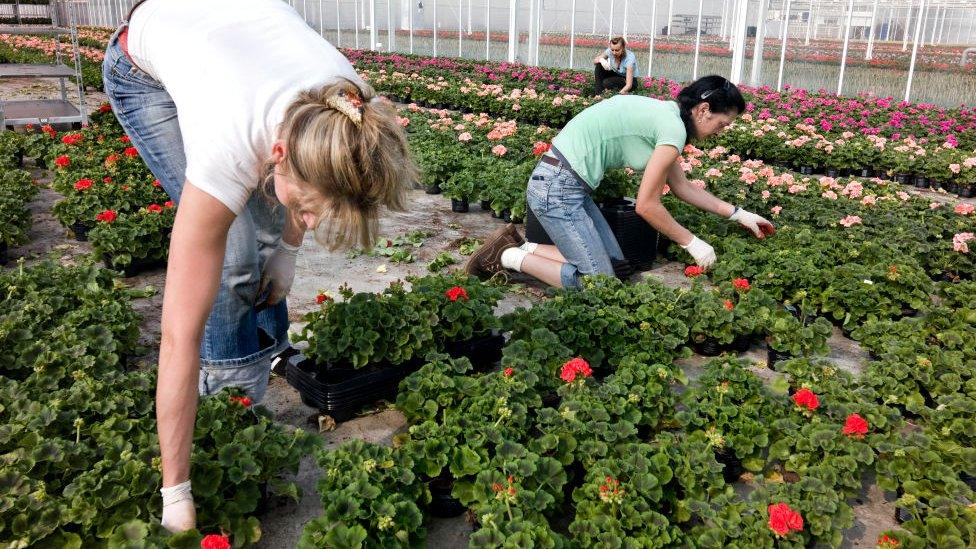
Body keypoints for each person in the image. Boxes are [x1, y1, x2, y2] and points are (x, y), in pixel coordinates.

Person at [101, 0, 415, 532]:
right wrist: (174, 491)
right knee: (237, 250)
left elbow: (300, 195)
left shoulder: (347, 110)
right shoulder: (227, 142)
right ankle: (231, 402)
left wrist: (288, 250)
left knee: (269, 233)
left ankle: (261, 357)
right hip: (143, 70)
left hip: (233, 44)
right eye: (311, 211)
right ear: (277, 151)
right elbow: (177, 336)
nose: (311, 223)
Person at [464, 75, 774, 288]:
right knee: (597, 284)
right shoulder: (673, 129)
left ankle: (524, 245)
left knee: (616, 265)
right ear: (704, 110)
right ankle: (507, 256)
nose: (721, 131)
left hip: (568, 185)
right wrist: (691, 243)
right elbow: (647, 206)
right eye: (723, 123)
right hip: (557, 188)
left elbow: (682, 188)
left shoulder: (668, 119)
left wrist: (739, 214)